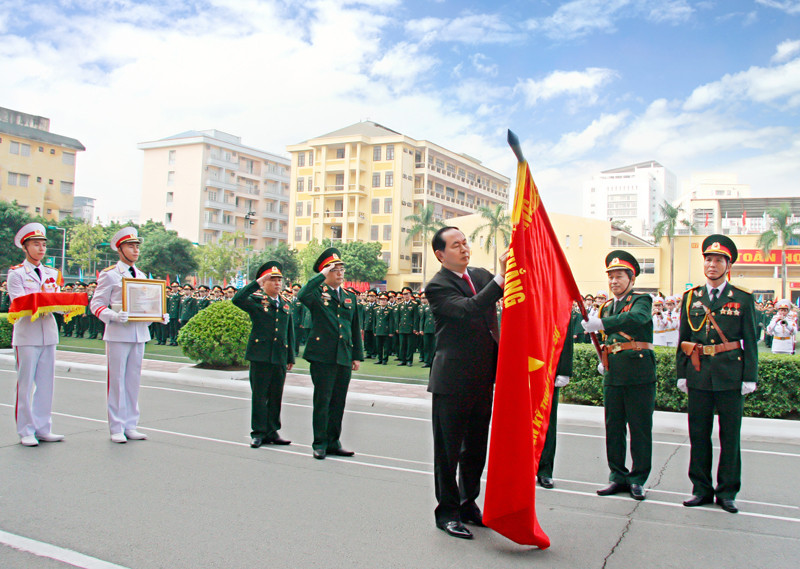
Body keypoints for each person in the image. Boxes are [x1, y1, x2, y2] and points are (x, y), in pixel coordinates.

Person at [425, 226, 505, 540]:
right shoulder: (438, 286)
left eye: (465, 242)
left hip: (483, 377)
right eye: (455, 245)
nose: (463, 248)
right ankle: (446, 512)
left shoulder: (482, 275)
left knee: (475, 447)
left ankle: (467, 501)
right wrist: (500, 279)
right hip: (452, 380)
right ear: (440, 254)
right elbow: (469, 309)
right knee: (448, 451)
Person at [677, 235, 758, 514]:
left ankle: (727, 492)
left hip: (729, 374)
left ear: (728, 264)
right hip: (698, 373)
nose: (712, 265)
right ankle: (700, 489)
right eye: (708, 259)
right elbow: (683, 339)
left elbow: (751, 340)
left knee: (729, 437)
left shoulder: (743, 298)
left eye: (718, 260)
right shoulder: (691, 297)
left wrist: (750, 377)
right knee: (698, 434)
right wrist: (681, 373)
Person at [582, 250, 655, 501]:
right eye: (611, 276)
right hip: (613, 373)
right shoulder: (605, 306)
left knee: (639, 428)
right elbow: (606, 341)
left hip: (638, 373)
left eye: (619, 276)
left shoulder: (641, 300)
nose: (614, 281)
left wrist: (602, 323)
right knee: (614, 427)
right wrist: (603, 358)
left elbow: (637, 319)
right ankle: (617, 475)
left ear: (631, 279)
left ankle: (637, 478)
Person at [90, 227, 169, 443]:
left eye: (137, 246)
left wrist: (159, 315)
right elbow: (96, 304)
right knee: (116, 381)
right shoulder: (110, 274)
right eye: (130, 246)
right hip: (117, 333)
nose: (135, 250)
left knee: (133, 381)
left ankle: (131, 424)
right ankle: (116, 427)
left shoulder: (142, 275)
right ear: (120, 249)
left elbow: (145, 306)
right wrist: (113, 315)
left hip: (139, 333)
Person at [298, 248, 363, 459]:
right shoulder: (317, 294)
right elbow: (302, 294)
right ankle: (320, 443)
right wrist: (321, 276)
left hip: (343, 356)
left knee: (338, 402)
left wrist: (356, 356)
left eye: (341, 269)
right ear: (326, 272)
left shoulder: (348, 297)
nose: (340, 273)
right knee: (323, 400)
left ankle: (334, 442)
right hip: (322, 356)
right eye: (335, 270)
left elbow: (354, 327)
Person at [8, 223, 64, 446]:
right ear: (25, 247)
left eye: (43, 244)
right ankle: (26, 430)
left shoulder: (52, 274)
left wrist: (64, 304)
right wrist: (44, 301)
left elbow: (59, 303)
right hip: (27, 335)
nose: (41, 248)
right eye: (35, 244)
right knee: (25, 384)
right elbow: (18, 303)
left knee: (46, 383)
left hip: (48, 334)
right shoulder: (17, 274)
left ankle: (43, 428)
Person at [233, 261, 295, 448]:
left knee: (276, 394)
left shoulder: (285, 303)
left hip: (279, 356)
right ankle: (258, 432)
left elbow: (289, 331)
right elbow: (237, 299)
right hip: (260, 355)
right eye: (273, 280)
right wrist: (256, 283)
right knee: (260, 395)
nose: (277, 284)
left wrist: (290, 356)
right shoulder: (256, 301)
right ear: (265, 282)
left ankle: (272, 430)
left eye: (279, 280)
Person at [536, 322, 574, 489]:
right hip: (524, 366)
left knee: (547, 424)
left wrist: (564, 369)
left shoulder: (558, 297)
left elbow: (566, 332)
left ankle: (544, 470)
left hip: (550, 366)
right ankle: (522, 469)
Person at [396, 286, 418, 366]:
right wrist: (397, 327)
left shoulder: (414, 305)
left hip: (410, 327)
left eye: (407, 294)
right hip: (402, 327)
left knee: (410, 345)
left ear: (410, 294)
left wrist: (415, 328)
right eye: (404, 294)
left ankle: (409, 360)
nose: (405, 296)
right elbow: (398, 317)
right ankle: (403, 360)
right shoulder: (400, 305)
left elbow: (416, 318)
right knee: (402, 345)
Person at [372, 293, 392, 364]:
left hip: (386, 330)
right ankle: (379, 359)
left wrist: (391, 332)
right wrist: (374, 330)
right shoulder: (376, 309)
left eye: (384, 300)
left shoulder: (390, 309)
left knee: (386, 347)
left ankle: (385, 359)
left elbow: (391, 321)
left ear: (387, 301)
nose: (382, 301)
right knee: (378, 346)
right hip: (378, 330)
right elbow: (374, 321)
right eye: (381, 300)